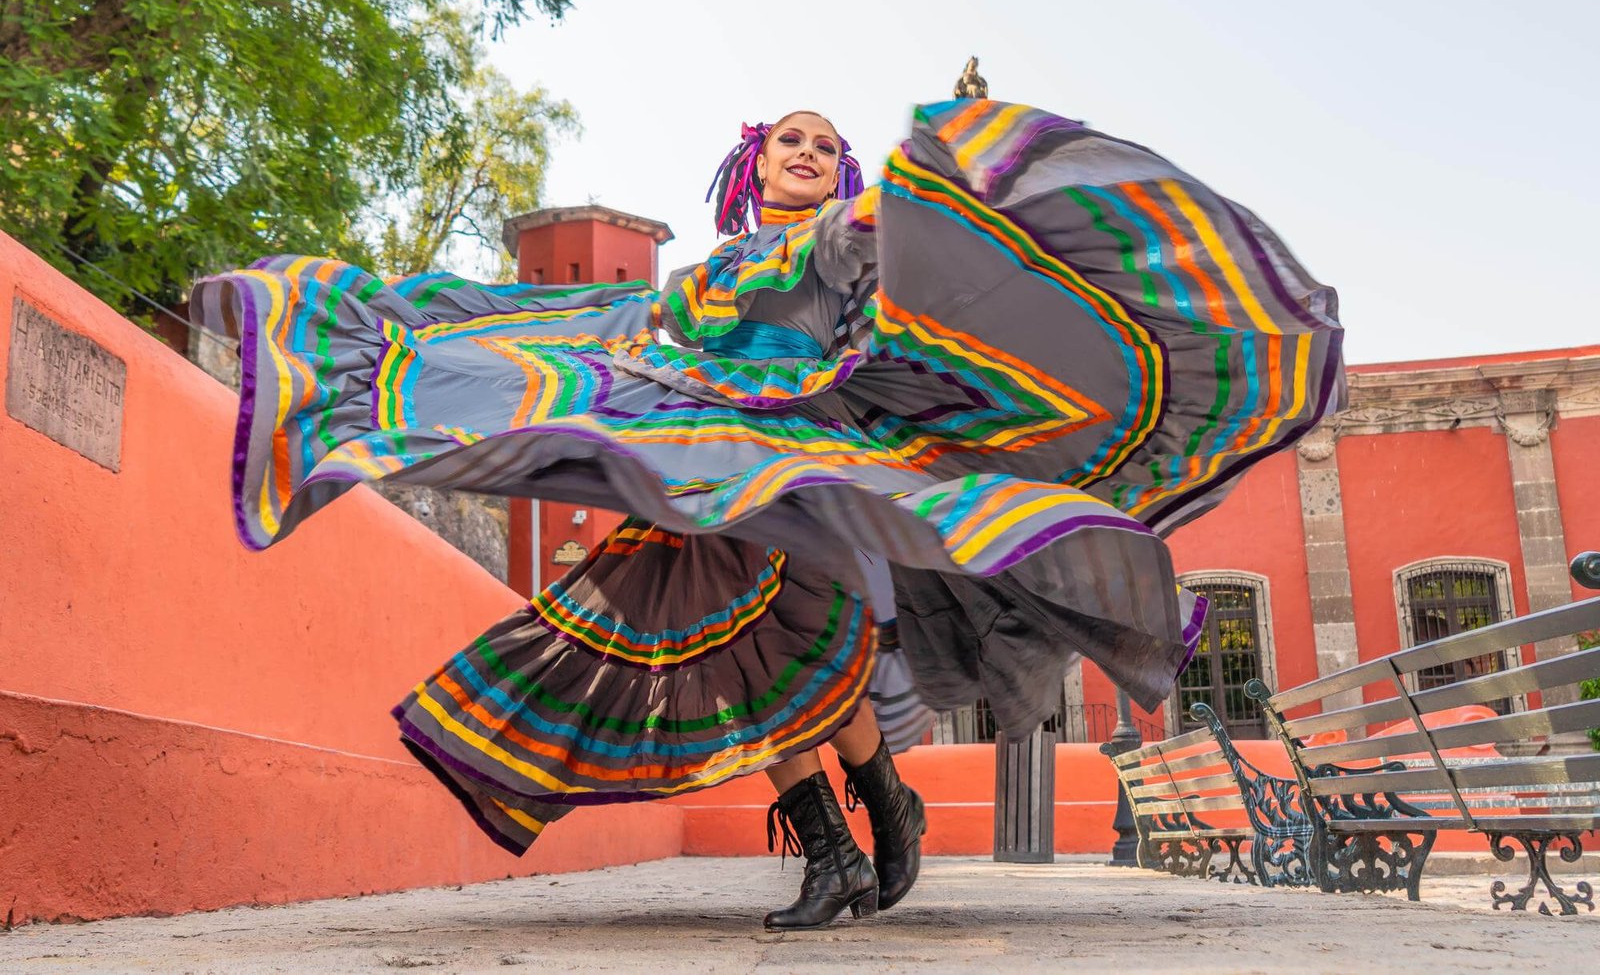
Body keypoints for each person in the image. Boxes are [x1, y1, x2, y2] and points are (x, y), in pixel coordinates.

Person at [192, 99, 1344, 930]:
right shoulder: (705, 279)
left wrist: (955, 178)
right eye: (790, 139)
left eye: (826, 145)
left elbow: (945, 302)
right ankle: (853, 834)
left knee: (784, 667)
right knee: (751, 667)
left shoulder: (855, 249)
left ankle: (870, 811)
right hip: (711, 491)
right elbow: (609, 335)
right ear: (754, 163)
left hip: (816, 489)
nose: (808, 153)